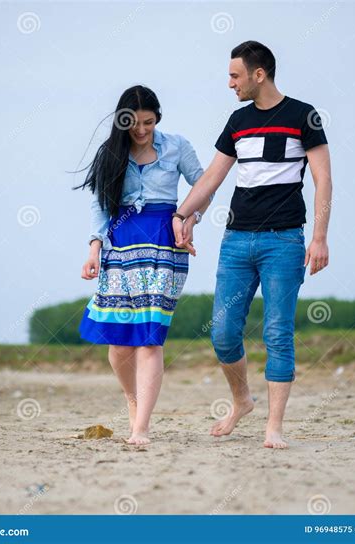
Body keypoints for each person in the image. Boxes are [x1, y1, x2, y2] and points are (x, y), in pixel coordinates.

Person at [172, 41, 332, 449]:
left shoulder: (303, 116)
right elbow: (211, 178)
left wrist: (319, 237)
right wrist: (182, 215)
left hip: (285, 241)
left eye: (235, 76)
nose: (230, 84)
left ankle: (273, 428)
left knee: (278, 333)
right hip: (236, 241)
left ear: (258, 74)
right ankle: (242, 400)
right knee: (224, 332)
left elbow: (323, 181)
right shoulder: (237, 121)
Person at [75, 85, 211, 445]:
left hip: (165, 244)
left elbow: (205, 185)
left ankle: (141, 426)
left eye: (148, 123)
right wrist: (94, 248)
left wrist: (190, 218)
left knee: (150, 337)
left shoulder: (177, 146)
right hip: (119, 245)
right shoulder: (111, 153)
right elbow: (100, 205)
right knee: (120, 342)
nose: (141, 130)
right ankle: (132, 400)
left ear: (158, 118)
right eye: (134, 124)